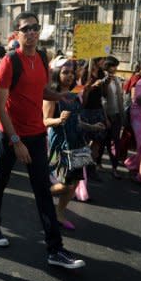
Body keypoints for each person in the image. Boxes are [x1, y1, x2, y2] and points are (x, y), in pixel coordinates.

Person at [0, 11, 85, 269]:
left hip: (37, 133)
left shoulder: (41, 58)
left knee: (42, 190)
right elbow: (0, 105)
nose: (30, 32)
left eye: (35, 28)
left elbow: (40, 90)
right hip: (10, 134)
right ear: (17, 33)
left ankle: (55, 250)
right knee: (0, 181)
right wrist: (15, 140)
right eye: (25, 28)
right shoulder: (9, 62)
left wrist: (59, 97)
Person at [43, 58, 85, 230]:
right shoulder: (51, 94)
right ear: (57, 74)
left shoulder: (76, 92)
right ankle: (42, 195)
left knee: (75, 183)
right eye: (64, 72)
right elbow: (45, 121)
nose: (69, 75)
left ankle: (59, 213)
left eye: (71, 72)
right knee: (66, 183)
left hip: (77, 141)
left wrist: (92, 126)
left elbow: (78, 120)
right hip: (61, 142)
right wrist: (58, 120)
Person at [98, 56, 125, 179]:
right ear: (107, 66)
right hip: (106, 115)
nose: (115, 68)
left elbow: (120, 98)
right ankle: (98, 162)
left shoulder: (118, 80)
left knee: (115, 142)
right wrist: (106, 118)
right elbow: (102, 99)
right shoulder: (103, 80)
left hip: (117, 115)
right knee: (103, 141)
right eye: (113, 66)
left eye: (116, 66)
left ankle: (114, 168)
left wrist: (122, 115)